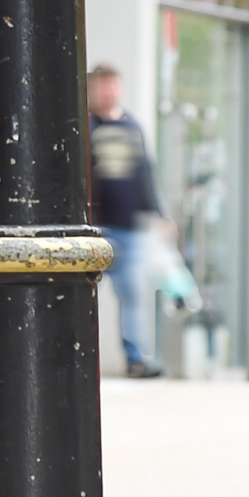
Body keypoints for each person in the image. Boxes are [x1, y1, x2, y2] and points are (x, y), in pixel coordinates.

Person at [88, 64, 163, 378]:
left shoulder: (132, 127)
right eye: (102, 86)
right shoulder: (84, 125)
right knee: (84, 294)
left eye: (112, 85)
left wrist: (157, 214)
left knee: (132, 294)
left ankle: (136, 359)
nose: (108, 92)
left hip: (128, 226)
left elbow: (145, 174)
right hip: (93, 227)